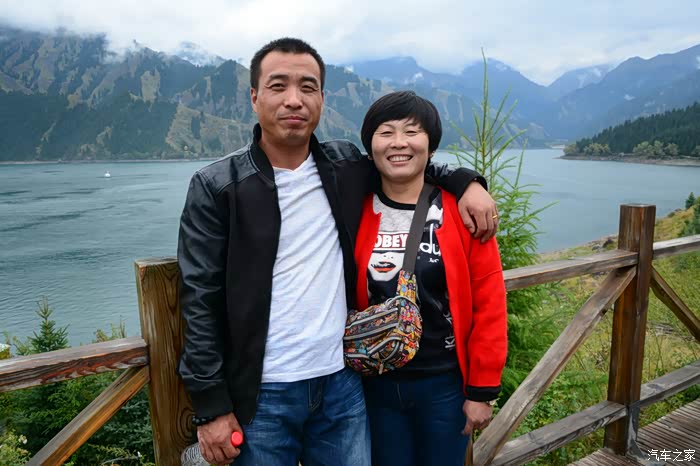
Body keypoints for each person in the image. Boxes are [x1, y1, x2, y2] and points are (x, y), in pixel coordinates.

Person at [177, 37, 499, 466]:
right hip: (262, 394)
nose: (294, 99)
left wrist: (467, 182)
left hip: (342, 385)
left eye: (307, 87)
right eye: (278, 86)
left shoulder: (344, 168)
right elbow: (199, 299)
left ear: (322, 99)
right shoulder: (217, 186)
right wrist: (211, 406)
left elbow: (404, 165)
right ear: (254, 97)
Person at [354, 91, 508, 466]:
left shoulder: (462, 211)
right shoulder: (353, 205)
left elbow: (489, 300)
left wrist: (482, 390)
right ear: (371, 146)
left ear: (431, 145)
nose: (399, 142)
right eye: (385, 132)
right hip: (373, 383)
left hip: (444, 385)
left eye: (412, 132)